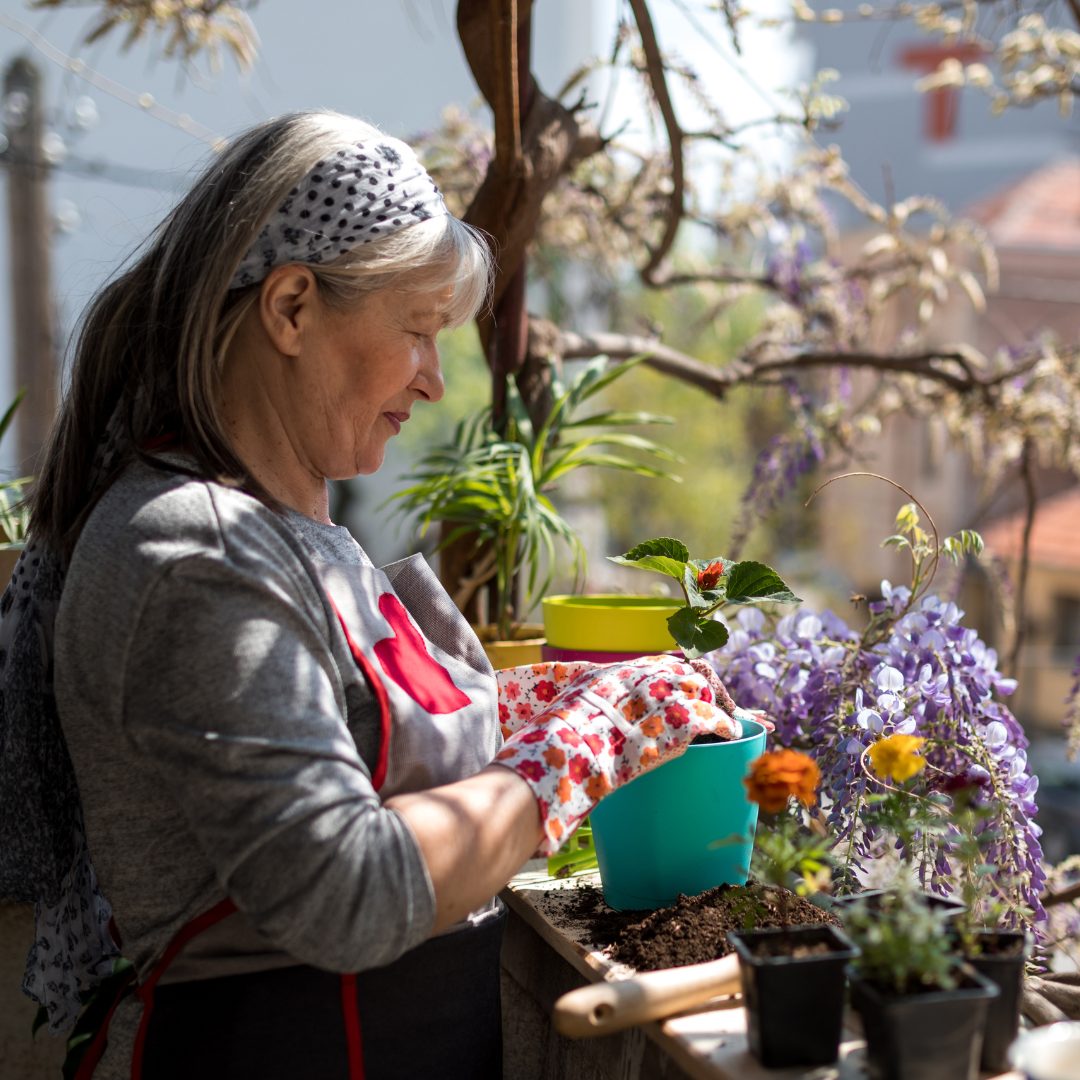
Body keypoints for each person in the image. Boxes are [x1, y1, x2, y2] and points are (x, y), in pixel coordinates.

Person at [0, 110, 748, 1080]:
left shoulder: (274, 526)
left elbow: (346, 741)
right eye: (418, 331)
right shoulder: (190, 554)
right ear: (293, 308)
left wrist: (564, 703)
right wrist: (581, 751)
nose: (435, 380)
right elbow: (346, 888)